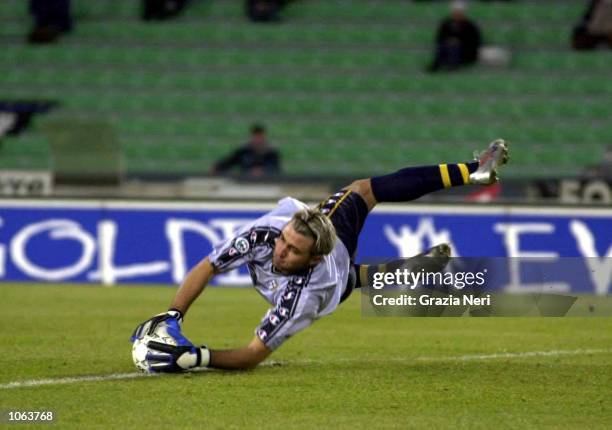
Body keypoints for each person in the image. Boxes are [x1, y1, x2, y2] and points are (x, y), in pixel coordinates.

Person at [132, 139, 509, 372]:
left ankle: (474, 172)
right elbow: (208, 265)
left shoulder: (306, 292)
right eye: (284, 241)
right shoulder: (267, 234)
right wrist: (172, 315)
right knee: (353, 277)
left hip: (330, 270)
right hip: (335, 279)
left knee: (363, 192)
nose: (281, 249)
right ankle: (417, 261)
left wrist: (197, 358)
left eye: (293, 250)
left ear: (311, 259)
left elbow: (251, 356)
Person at [426, 0, 482, 73]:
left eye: (459, 12)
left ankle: (452, 66)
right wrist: (449, 41)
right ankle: (437, 65)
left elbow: (475, 41)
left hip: (464, 52)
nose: (457, 14)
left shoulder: (470, 25)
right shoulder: (446, 23)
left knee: (454, 46)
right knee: (446, 46)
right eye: (455, 12)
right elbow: (439, 38)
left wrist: (458, 41)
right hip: (447, 48)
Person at [211, 124, 281, 178]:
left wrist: (262, 171)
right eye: (256, 137)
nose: (258, 140)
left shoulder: (271, 153)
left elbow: (275, 168)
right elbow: (230, 161)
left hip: (266, 183)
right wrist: (217, 167)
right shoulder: (243, 151)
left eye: (260, 137)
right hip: (245, 182)